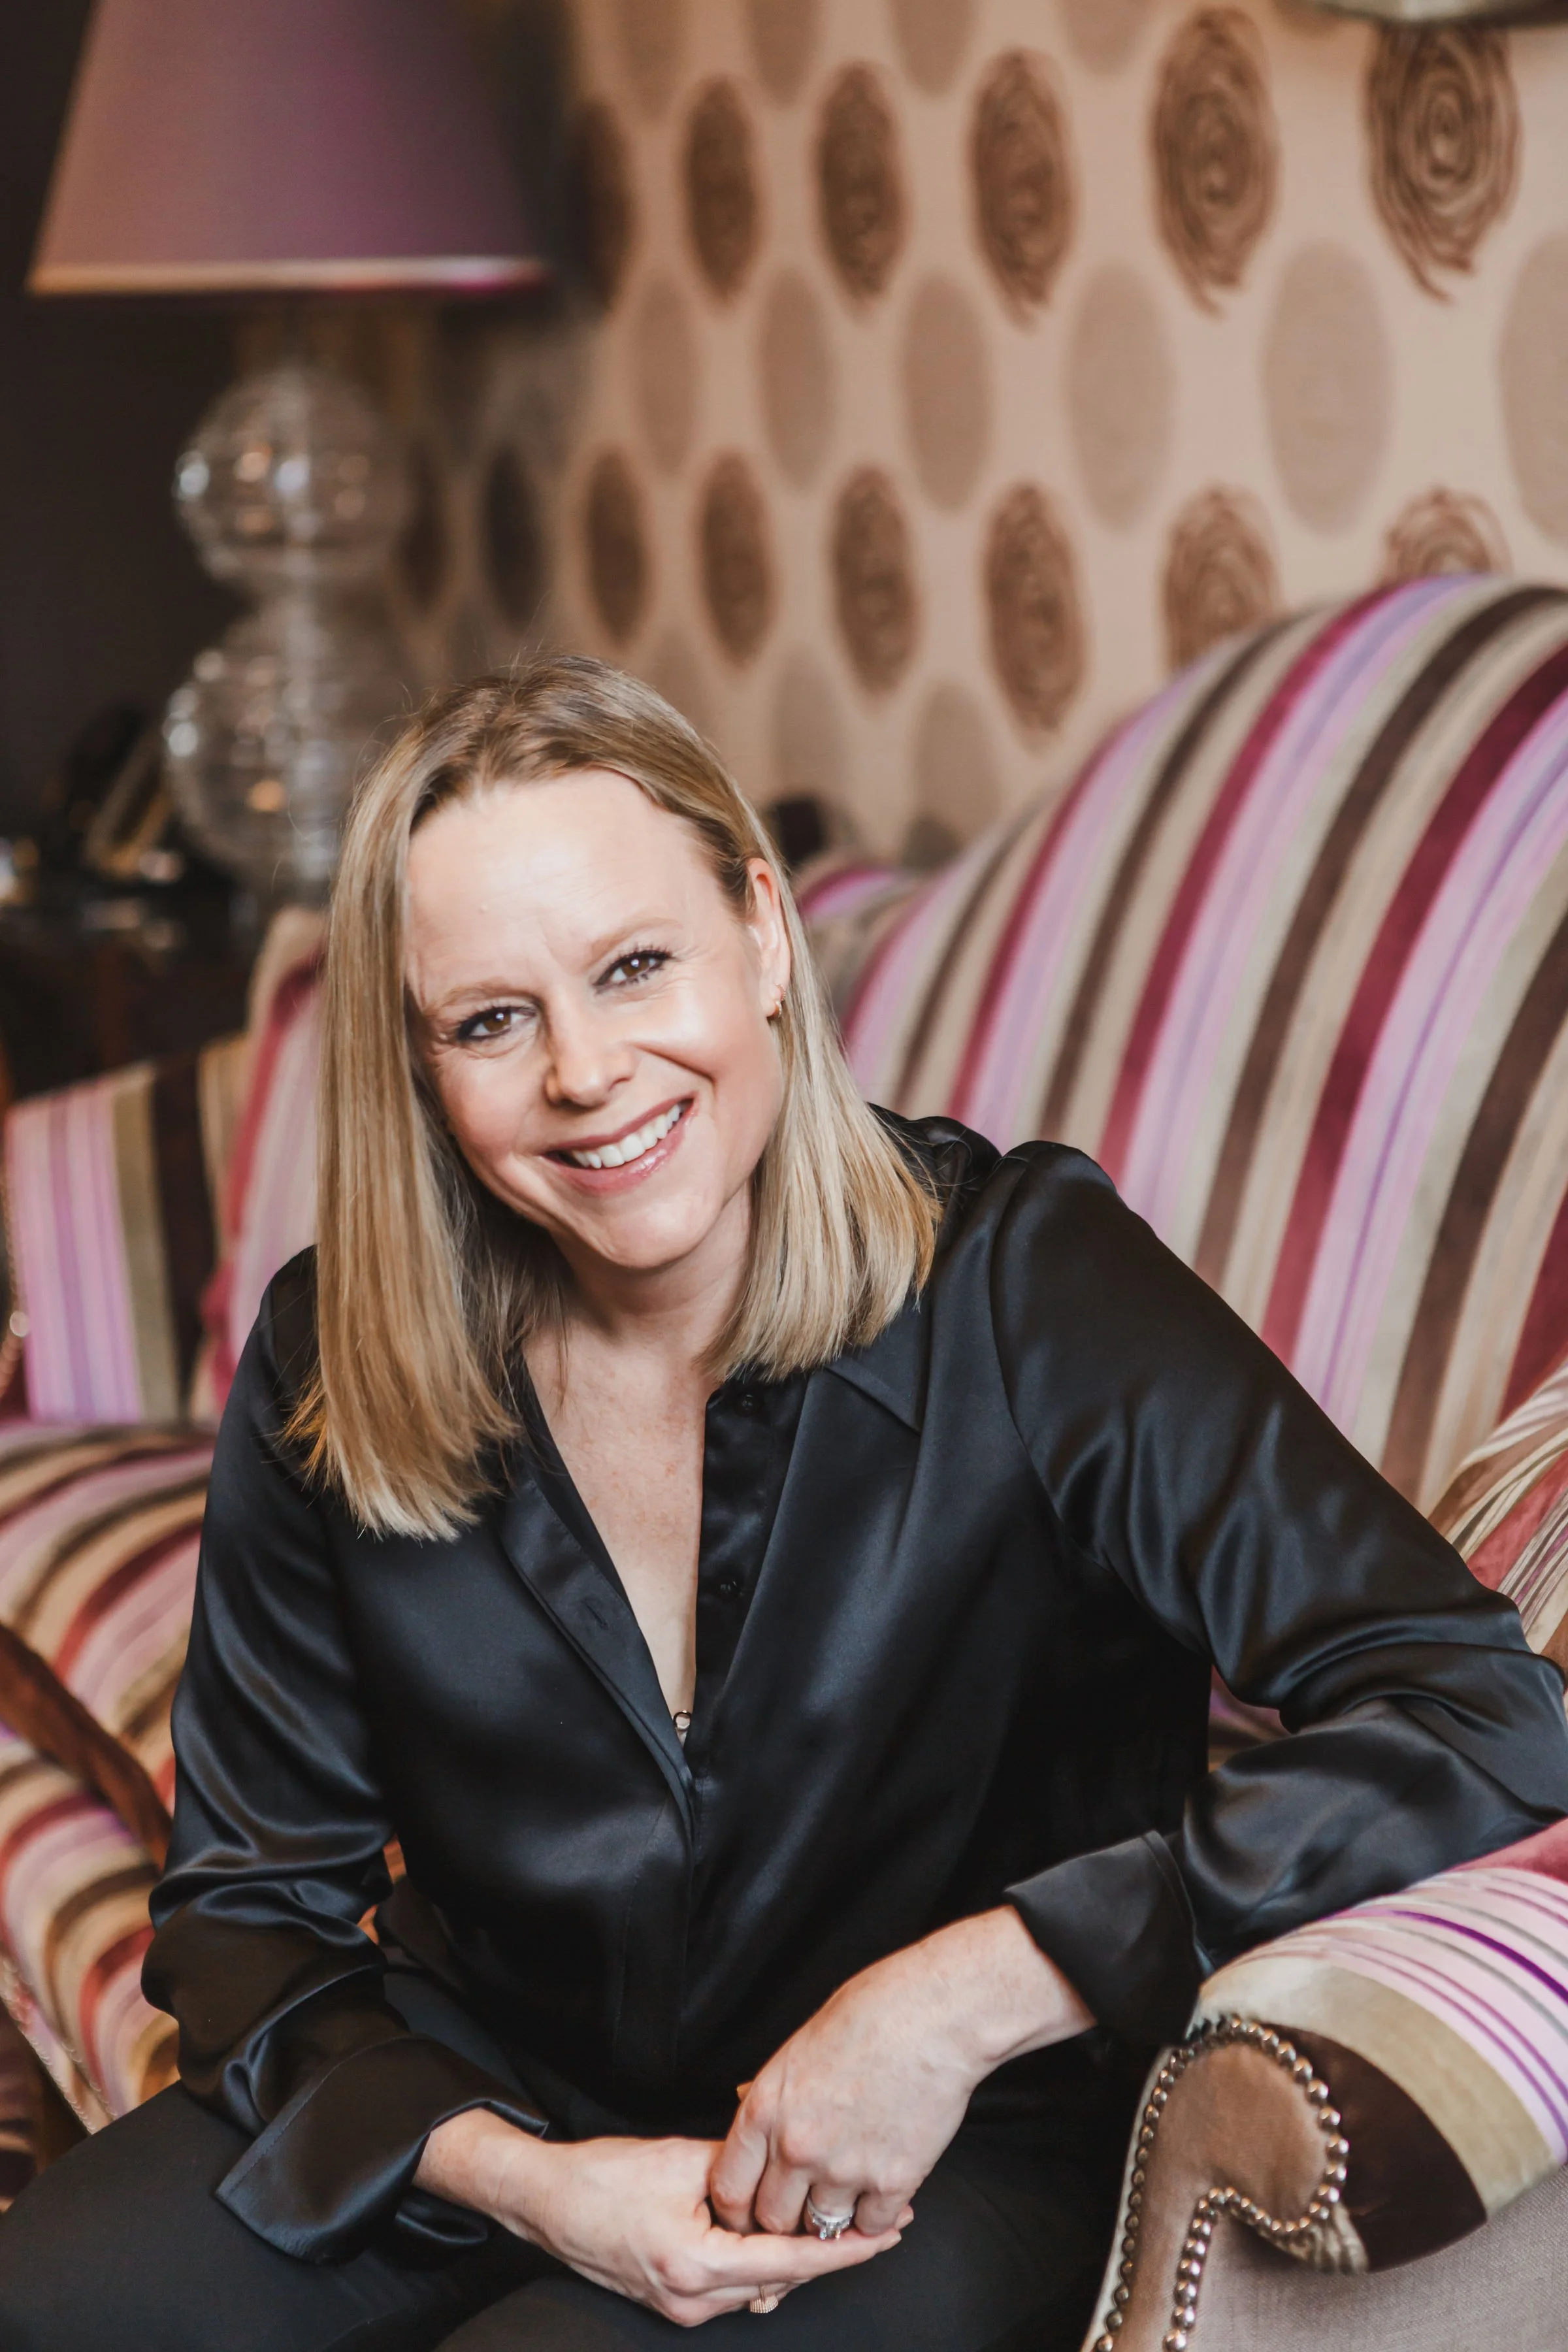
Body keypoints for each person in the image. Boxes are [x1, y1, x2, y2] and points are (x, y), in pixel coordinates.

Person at [1, 658, 1563, 2352]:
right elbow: (246, 1916)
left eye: (635, 965)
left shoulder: (1022, 1284)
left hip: (943, 2141)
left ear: (760, 931)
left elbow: (1484, 1710)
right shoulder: (337, 1347)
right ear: (423, 1064)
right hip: (505, 2078)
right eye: (492, 1020)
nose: (589, 1071)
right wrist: (534, 2182)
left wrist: (966, 1994)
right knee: (59, 2297)